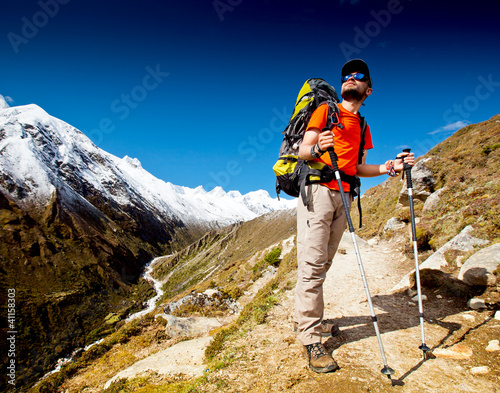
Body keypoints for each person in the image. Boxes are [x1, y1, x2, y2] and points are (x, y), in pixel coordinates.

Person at [294, 59, 415, 373]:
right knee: (311, 264)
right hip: (319, 191)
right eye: (347, 75)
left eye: (358, 76)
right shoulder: (325, 111)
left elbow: (359, 167)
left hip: (345, 196)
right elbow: (302, 151)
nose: (350, 78)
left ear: (368, 89)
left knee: (323, 263)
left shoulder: (362, 126)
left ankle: (309, 320)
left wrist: (389, 168)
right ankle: (310, 338)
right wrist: (318, 146)